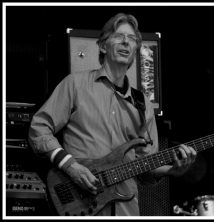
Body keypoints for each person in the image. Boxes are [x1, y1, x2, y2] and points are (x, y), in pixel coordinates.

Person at [28, 13, 197, 216]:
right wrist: (71, 166)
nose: (126, 41)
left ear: (135, 51)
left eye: (132, 39)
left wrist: (172, 171)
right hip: (80, 205)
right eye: (118, 36)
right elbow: (38, 129)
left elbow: (145, 167)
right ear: (102, 46)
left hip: (127, 210)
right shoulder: (75, 85)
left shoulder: (143, 104)